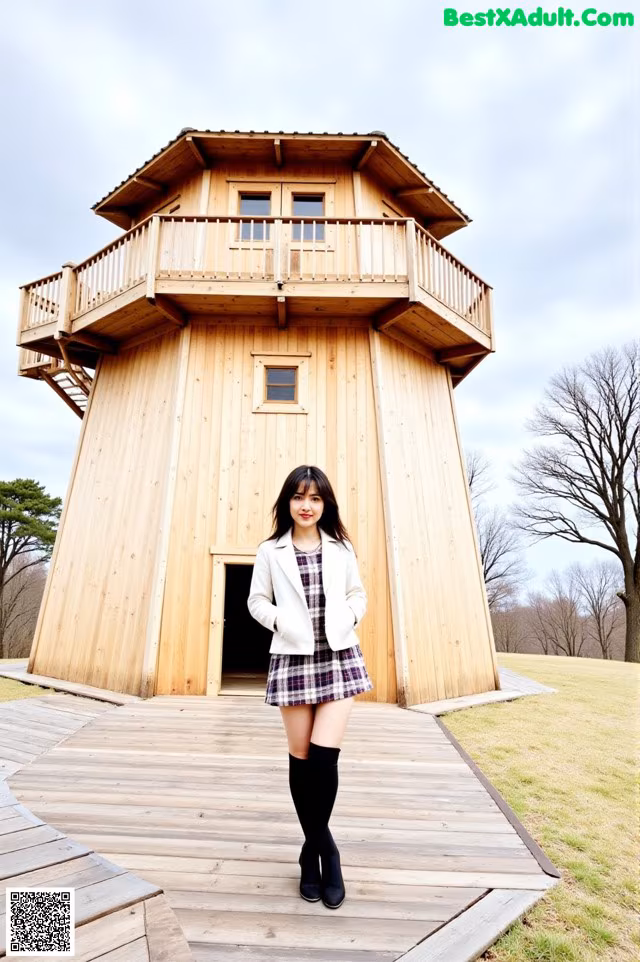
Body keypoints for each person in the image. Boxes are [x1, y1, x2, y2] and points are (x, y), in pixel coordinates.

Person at [247, 465, 374, 910]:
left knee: (323, 758)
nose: (307, 505)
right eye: (300, 497)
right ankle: (317, 849)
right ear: (288, 502)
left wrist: (351, 616)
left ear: (325, 504)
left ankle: (324, 854)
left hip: (340, 656)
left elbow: (358, 594)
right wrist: (280, 620)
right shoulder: (270, 551)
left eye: (315, 498)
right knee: (301, 761)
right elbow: (256, 601)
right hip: (293, 657)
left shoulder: (341, 548)